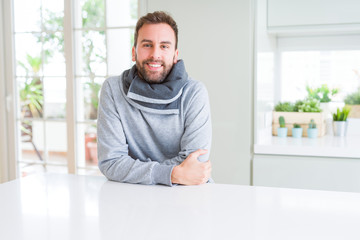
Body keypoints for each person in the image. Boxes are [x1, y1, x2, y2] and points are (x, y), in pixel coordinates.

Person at [97, 11, 212, 186]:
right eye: (147, 45)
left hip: (186, 195)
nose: (155, 54)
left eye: (164, 46)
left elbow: (194, 166)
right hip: (133, 198)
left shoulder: (194, 92)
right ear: (134, 52)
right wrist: (173, 174)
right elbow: (111, 162)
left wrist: (133, 170)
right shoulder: (113, 89)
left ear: (175, 55)